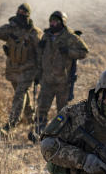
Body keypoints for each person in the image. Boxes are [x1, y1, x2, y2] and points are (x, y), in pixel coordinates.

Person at [0, 3, 41, 135]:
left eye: (23, 12)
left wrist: (40, 72)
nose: (20, 14)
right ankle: (30, 118)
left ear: (28, 15)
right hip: (13, 68)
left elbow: (40, 51)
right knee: (21, 92)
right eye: (19, 11)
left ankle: (11, 125)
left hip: (28, 69)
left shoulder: (34, 32)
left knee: (20, 94)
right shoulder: (11, 28)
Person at [33, 10, 88, 139]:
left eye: (56, 21)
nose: (53, 24)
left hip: (63, 82)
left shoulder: (70, 36)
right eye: (51, 21)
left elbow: (84, 52)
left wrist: (69, 51)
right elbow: (40, 57)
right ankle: (38, 133)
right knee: (41, 107)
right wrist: (38, 74)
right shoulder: (46, 36)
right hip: (47, 80)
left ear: (62, 22)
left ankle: (63, 136)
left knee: (63, 111)